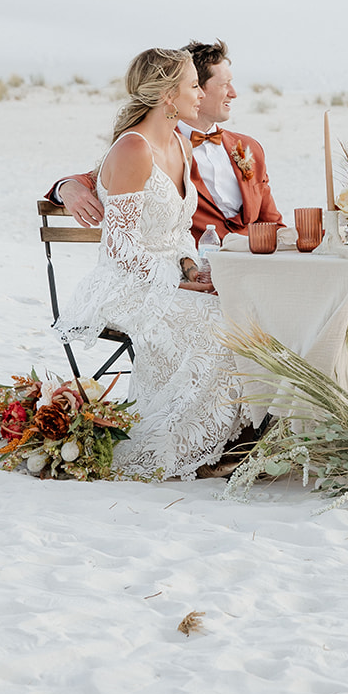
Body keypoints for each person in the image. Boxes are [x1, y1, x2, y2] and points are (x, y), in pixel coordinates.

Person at [54, 47, 249, 480]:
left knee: (238, 310)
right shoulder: (132, 150)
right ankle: (176, 446)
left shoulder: (181, 143)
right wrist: (174, 283)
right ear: (168, 95)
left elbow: (178, 231)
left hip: (167, 276)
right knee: (212, 322)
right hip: (123, 285)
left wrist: (189, 267)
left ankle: (221, 439)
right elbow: (120, 247)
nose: (200, 94)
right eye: (193, 86)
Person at [49, 39, 283, 243]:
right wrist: (66, 187)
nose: (233, 93)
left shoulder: (249, 148)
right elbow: (105, 176)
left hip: (250, 268)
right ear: (192, 88)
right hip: (196, 267)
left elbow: (272, 223)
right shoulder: (159, 144)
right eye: (224, 84)